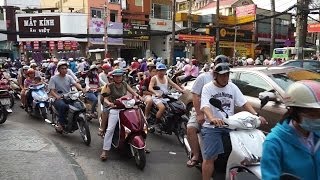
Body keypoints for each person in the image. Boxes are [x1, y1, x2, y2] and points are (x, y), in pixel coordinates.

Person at [200, 62, 266, 180]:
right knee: (210, 157)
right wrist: (212, 118)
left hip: (230, 125)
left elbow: (244, 103)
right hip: (213, 127)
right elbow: (205, 106)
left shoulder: (232, 87)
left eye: (227, 75)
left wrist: (256, 115)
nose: (225, 78)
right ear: (215, 75)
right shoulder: (208, 88)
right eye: (222, 75)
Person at [261, 80, 320, 180]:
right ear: (293, 111)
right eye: (313, 115)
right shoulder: (274, 143)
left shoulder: (316, 135)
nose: (318, 119)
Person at [186, 55, 228, 168]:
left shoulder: (228, 78)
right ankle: (195, 155)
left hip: (221, 112)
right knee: (191, 128)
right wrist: (200, 114)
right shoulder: (203, 77)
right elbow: (195, 95)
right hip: (202, 111)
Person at [100, 69, 141, 161]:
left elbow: (133, 93)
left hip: (125, 108)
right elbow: (105, 99)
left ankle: (141, 145)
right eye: (116, 76)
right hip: (114, 109)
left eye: (120, 76)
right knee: (110, 129)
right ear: (113, 77)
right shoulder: (109, 86)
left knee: (136, 124)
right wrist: (109, 103)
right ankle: (105, 151)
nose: (118, 78)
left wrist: (138, 96)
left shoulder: (125, 84)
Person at [48, 61, 83, 131]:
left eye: (65, 68)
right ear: (58, 70)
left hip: (69, 96)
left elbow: (76, 84)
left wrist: (83, 89)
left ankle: (74, 121)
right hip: (58, 98)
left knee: (78, 105)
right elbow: (51, 91)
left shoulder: (69, 77)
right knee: (63, 106)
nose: (64, 70)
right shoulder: (53, 78)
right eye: (62, 68)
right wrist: (57, 96)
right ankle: (61, 124)